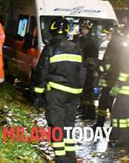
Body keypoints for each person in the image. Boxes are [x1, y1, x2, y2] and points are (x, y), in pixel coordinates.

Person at [33, 17, 85, 162]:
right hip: (74, 94)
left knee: (56, 125)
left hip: (56, 93)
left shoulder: (50, 48)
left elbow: (41, 71)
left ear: (52, 30)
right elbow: (82, 71)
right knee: (69, 125)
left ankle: (61, 159)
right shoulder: (76, 48)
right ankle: (70, 157)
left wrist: (38, 94)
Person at [108, 24, 129, 146]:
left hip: (127, 89)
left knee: (119, 114)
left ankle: (119, 139)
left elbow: (125, 70)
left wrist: (118, 85)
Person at [92, 23, 119, 129]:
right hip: (113, 79)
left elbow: (108, 63)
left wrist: (98, 67)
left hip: (112, 78)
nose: (106, 36)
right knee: (108, 101)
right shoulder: (116, 43)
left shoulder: (113, 45)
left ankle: (102, 124)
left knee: (107, 102)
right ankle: (104, 124)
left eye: (108, 33)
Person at [76, 19, 99, 120]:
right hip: (84, 67)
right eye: (82, 28)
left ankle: (90, 112)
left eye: (85, 29)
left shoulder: (91, 40)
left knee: (88, 90)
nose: (83, 30)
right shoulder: (82, 39)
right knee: (84, 90)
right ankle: (84, 109)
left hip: (89, 69)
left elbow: (91, 56)